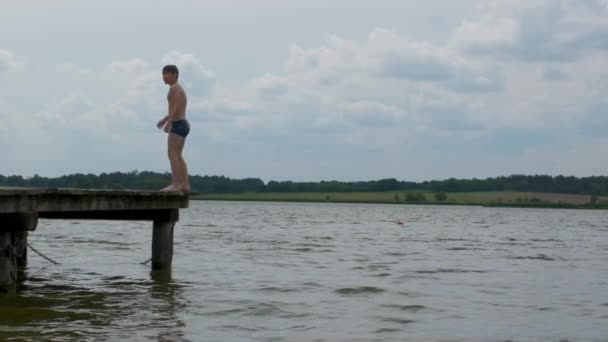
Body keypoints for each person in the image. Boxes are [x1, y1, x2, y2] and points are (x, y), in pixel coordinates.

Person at [157, 65, 191, 192]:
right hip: (182, 123)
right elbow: (175, 108)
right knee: (178, 155)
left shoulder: (175, 88)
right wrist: (165, 119)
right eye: (162, 74)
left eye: (166, 73)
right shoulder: (177, 88)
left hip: (178, 124)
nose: (163, 77)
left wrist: (169, 123)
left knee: (172, 154)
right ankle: (185, 185)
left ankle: (176, 184)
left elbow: (176, 106)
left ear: (174, 74)